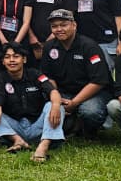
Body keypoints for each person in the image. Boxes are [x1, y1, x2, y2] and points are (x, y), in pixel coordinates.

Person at [37, 10, 111, 138]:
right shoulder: (49, 47)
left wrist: (74, 103)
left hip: (92, 94)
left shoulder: (89, 46)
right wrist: (56, 98)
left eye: (63, 25)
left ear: (74, 25)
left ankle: (88, 130)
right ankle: (73, 124)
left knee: (90, 112)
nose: (59, 29)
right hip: (63, 92)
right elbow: (48, 76)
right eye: (54, 26)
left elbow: (98, 81)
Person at [0, 41, 65, 162]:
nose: (11, 60)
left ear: (24, 59)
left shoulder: (35, 74)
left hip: (37, 127)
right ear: (3, 61)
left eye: (16, 56)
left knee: (55, 105)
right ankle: (17, 140)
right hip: (14, 128)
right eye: (7, 57)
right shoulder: (0, 79)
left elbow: (53, 92)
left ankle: (43, 146)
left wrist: (55, 105)